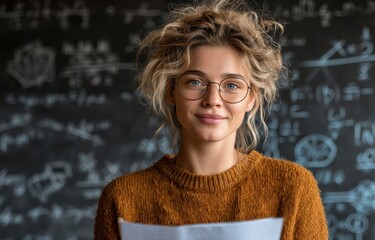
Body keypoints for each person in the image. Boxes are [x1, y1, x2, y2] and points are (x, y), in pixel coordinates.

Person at [94, 0, 329, 239]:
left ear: (251, 99)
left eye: (232, 85)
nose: (213, 99)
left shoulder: (293, 187)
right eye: (195, 82)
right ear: (170, 91)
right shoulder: (122, 198)